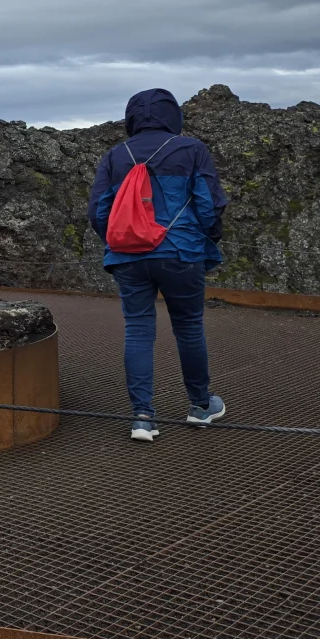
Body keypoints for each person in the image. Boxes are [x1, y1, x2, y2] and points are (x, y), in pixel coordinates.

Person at [88, 88, 230, 443]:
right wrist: (206, 236)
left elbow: (97, 212)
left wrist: (122, 238)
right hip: (180, 251)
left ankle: (142, 417)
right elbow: (209, 205)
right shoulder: (192, 150)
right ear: (172, 116)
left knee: (138, 330)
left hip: (128, 256)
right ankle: (200, 406)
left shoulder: (115, 156)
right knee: (189, 327)